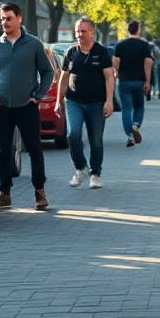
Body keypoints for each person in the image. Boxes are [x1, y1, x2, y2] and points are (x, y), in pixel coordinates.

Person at [0, 3, 55, 210]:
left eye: (9, 18)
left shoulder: (33, 44)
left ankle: (39, 192)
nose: (4, 22)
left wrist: (39, 95)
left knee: (34, 149)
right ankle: (4, 194)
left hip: (27, 106)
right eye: (2, 19)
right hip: (2, 106)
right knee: (2, 150)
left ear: (19, 19)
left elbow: (48, 72)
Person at [56, 16, 115, 189]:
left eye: (83, 31)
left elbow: (109, 77)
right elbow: (64, 77)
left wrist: (109, 101)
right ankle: (80, 168)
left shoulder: (101, 52)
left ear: (91, 32)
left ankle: (95, 174)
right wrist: (58, 100)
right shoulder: (71, 52)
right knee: (72, 135)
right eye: (77, 31)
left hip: (97, 103)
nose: (79, 34)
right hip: (74, 102)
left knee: (96, 140)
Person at [111, 20, 153, 147]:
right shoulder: (144, 45)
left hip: (124, 81)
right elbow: (148, 63)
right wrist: (147, 81)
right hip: (139, 81)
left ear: (127, 30)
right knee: (139, 106)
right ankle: (136, 124)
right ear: (138, 30)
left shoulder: (120, 45)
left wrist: (117, 71)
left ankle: (129, 136)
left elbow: (115, 63)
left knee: (126, 108)